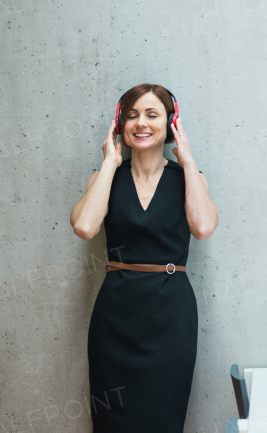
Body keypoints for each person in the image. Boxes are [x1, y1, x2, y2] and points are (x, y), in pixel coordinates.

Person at [70, 83, 218, 432]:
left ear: (171, 123)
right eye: (133, 115)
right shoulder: (106, 177)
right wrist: (109, 162)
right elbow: (85, 226)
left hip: (171, 316)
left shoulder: (189, 179)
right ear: (120, 123)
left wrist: (188, 159)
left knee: (163, 418)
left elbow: (203, 227)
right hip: (116, 318)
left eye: (153, 114)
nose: (142, 123)